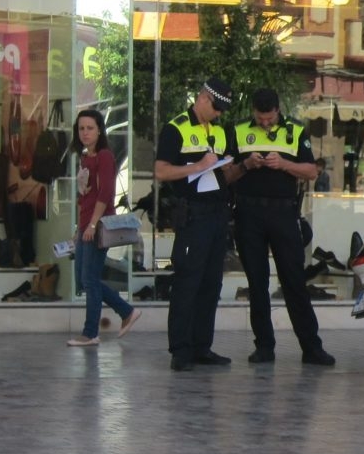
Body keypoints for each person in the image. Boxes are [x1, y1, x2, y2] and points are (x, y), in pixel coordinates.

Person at [230, 88, 335, 367]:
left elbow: (312, 171)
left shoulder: (295, 131)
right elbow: (225, 175)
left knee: (294, 282)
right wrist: (246, 165)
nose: (265, 123)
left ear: (278, 110)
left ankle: (311, 347)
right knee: (257, 283)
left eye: (269, 117)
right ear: (253, 111)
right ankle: (264, 346)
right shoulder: (238, 130)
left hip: (283, 214)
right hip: (249, 213)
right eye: (260, 118)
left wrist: (284, 164)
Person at [154, 78, 243, 372]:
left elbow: (222, 175)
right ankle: (181, 349)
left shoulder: (219, 130)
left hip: (218, 213)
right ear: (203, 98)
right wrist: (197, 167)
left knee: (211, 283)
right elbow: (161, 171)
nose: (218, 114)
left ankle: (202, 346)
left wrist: (238, 167)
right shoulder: (176, 128)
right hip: (193, 215)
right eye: (216, 107)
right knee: (187, 281)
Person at [66, 108, 141, 347]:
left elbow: (105, 193)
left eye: (90, 128)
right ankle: (126, 310)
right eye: (81, 129)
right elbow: (84, 197)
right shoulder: (85, 157)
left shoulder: (105, 156)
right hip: (86, 224)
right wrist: (80, 227)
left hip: (97, 226)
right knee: (84, 279)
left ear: (99, 130)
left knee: (89, 278)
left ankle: (90, 332)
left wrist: (91, 224)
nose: (85, 133)